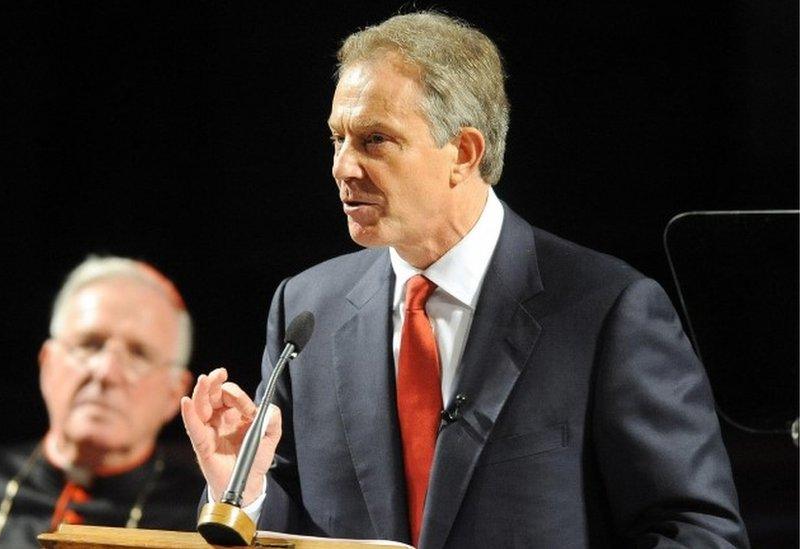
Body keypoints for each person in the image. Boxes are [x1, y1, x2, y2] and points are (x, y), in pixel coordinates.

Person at [181, 11, 748, 548]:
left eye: (374, 139)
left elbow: (696, 529)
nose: (343, 167)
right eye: (338, 138)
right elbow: (301, 526)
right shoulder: (306, 308)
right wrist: (247, 489)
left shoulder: (605, 310)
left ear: (464, 152)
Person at [0, 256, 201, 548]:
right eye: (89, 344)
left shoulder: (198, 520)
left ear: (175, 393)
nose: (105, 372)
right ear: (47, 363)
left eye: (138, 355)